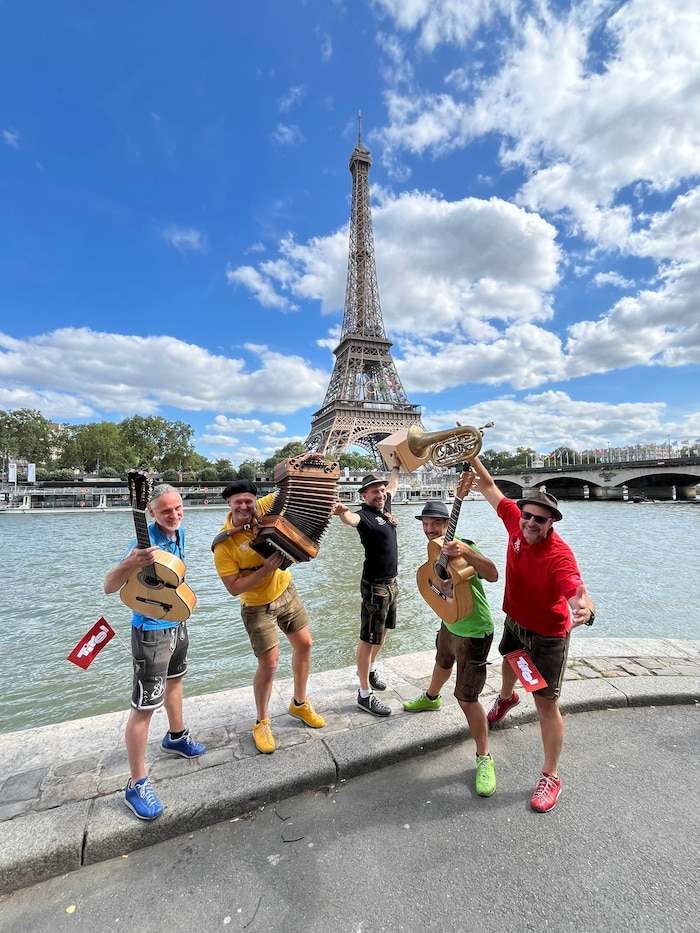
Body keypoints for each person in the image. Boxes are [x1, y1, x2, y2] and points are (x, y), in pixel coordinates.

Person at [469, 456, 596, 812]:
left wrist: (582, 607)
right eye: (527, 516)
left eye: (539, 519)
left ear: (551, 522)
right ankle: (507, 698)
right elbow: (490, 488)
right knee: (509, 656)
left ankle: (551, 776)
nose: (530, 523)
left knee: (545, 704)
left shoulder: (560, 555)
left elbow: (574, 588)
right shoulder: (515, 522)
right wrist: (474, 458)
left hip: (547, 636)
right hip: (516, 620)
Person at [104, 484, 205, 821]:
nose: (174, 515)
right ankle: (136, 784)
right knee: (144, 707)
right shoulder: (141, 544)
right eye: (165, 511)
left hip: (176, 619)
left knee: (176, 682)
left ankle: (176, 736)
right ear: (150, 512)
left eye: (178, 508)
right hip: (150, 632)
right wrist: (129, 563)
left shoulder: (179, 534)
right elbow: (109, 586)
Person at [212, 476, 325, 755]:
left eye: (248, 500)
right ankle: (261, 720)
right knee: (270, 664)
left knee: (305, 644)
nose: (244, 506)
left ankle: (299, 703)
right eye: (237, 501)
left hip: (286, 591)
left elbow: (291, 490)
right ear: (228, 504)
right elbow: (233, 588)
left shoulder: (261, 507)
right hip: (256, 605)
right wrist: (267, 568)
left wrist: (309, 464)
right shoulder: (223, 545)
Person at [403, 497, 499, 797]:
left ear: (448, 525)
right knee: (442, 661)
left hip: (474, 631)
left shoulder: (462, 547)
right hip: (450, 620)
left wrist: (467, 551)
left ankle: (484, 756)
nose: (430, 529)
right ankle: (431, 697)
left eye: (436, 524)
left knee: (467, 699)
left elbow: (493, 574)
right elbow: (437, 580)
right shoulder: (435, 550)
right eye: (426, 524)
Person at [332, 458, 401, 717]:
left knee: (383, 631)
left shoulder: (386, 505)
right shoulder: (365, 516)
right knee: (367, 637)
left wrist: (395, 466)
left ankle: (371, 670)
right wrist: (342, 513)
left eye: (381, 490)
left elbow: (393, 485)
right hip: (375, 586)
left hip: (392, 582)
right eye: (375, 491)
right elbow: (350, 519)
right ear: (364, 495)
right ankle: (364, 694)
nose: (381, 493)